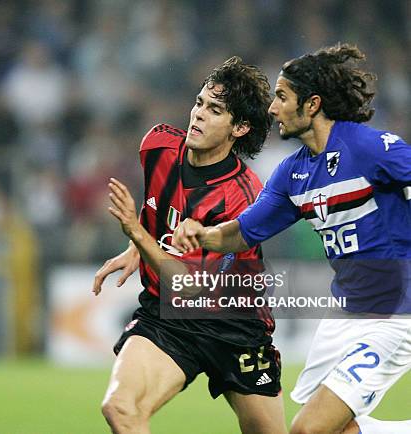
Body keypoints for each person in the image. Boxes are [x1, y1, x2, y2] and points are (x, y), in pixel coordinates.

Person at [173, 43, 411, 434]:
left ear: (312, 104)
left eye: (282, 97)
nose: (272, 108)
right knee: (338, 429)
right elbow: (242, 232)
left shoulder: (369, 148)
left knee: (305, 431)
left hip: (395, 312)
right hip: (347, 312)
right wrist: (204, 234)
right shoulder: (292, 174)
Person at [93, 57, 286, 434]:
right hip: (167, 318)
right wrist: (138, 247)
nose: (197, 115)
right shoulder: (158, 145)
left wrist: (136, 234)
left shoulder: (244, 196)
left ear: (240, 127)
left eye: (214, 110)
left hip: (234, 327)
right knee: (120, 408)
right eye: (199, 103)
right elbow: (160, 212)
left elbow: (190, 285)